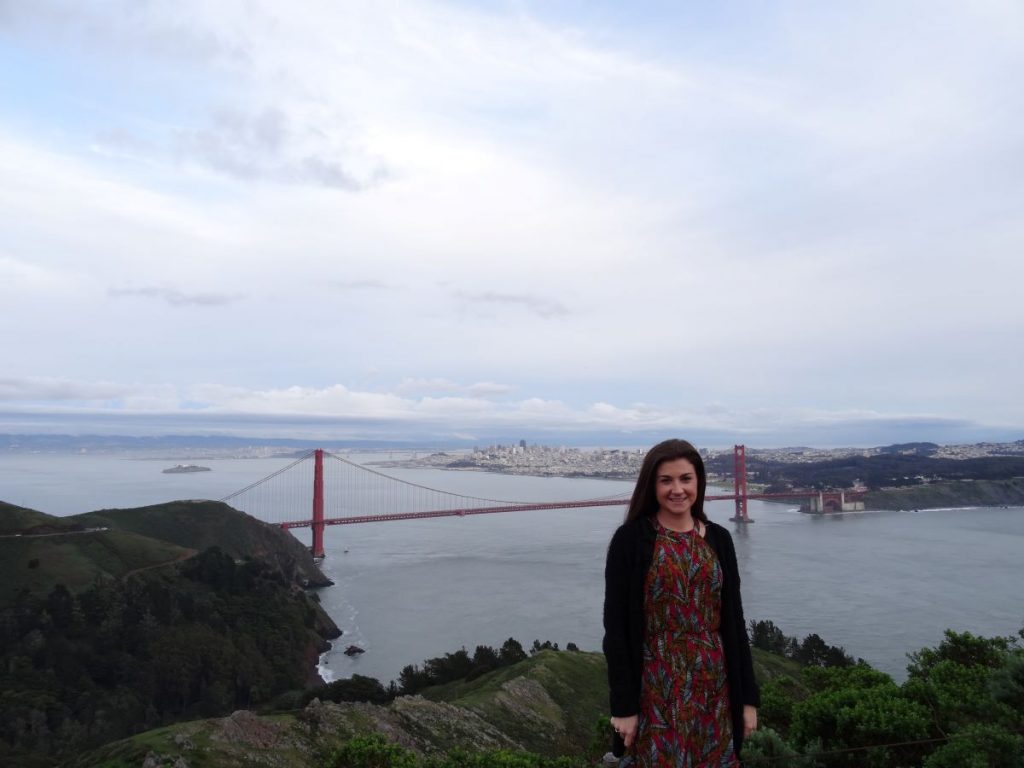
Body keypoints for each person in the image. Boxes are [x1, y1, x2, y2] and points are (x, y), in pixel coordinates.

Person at [603, 439, 759, 766]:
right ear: (652, 485)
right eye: (666, 480)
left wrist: (747, 700)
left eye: (686, 479)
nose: (677, 489)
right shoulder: (630, 540)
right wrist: (623, 707)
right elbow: (615, 629)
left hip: (714, 684)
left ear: (698, 482)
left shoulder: (720, 539)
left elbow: (735, 621)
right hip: (654, 685)